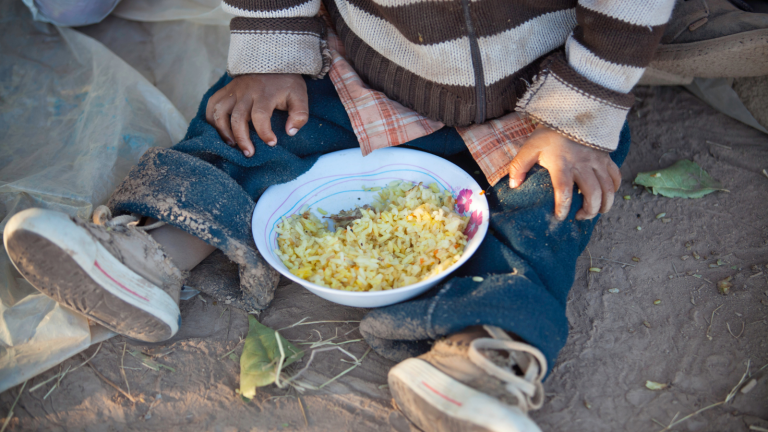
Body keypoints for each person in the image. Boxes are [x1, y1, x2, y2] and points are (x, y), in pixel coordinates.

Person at [7, 0, 766, 430]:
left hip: (538, 100)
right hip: (363, 71)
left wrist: (577, 115)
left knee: (555, 200)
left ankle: (485, 352)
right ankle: (154, 252)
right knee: (254, 124)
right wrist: (272, 47)